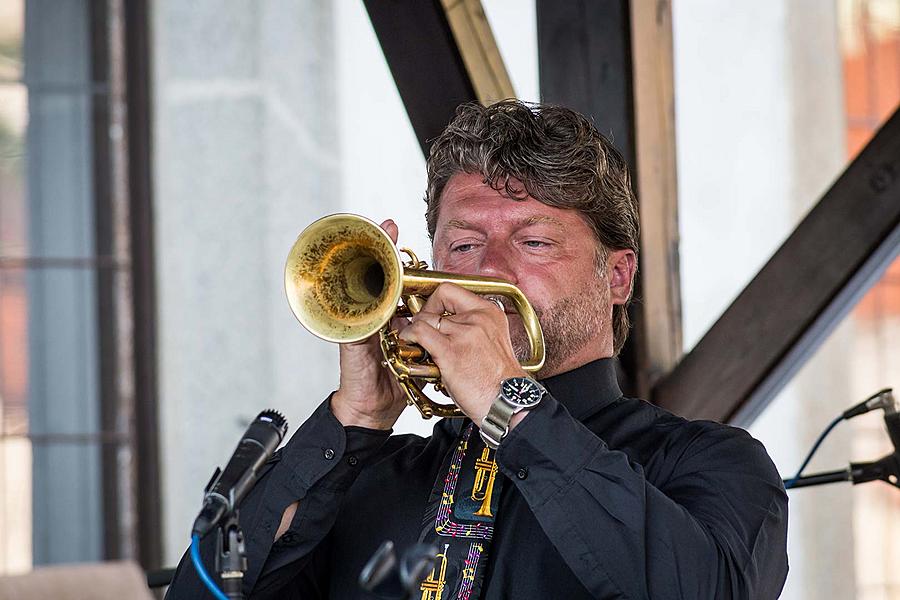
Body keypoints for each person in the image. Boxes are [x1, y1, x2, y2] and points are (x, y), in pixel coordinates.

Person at [166, 100, 788, 599]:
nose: (492, 271)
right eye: (463, 247)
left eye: (535, 242)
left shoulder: (709, 464)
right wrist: (350, 424)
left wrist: (509, 405)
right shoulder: (368, 482)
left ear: (617, 276)